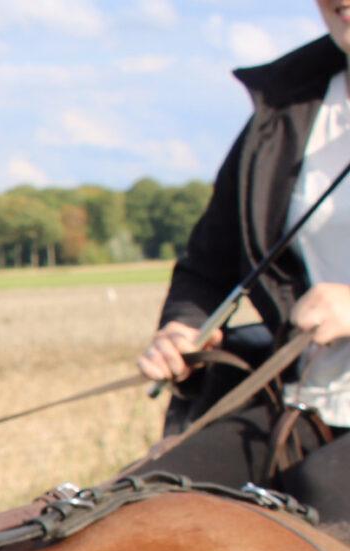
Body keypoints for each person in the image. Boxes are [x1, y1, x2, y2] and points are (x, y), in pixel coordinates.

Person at [138, 5, 350, 517]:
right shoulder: (287, 107)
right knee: (143, 503)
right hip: (303, 400)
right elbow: (209, 263)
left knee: (314, 508)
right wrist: (185, 326)